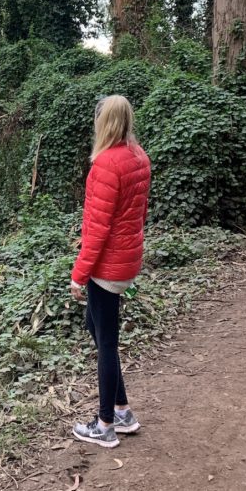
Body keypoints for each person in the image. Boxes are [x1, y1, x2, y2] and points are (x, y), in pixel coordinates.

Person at [69, 94, 151, 448]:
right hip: (127, 258)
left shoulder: (105, 164)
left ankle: (104, 425)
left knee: (105, 341)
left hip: (107, 266)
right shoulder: (138, 157)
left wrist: (79, 274)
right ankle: (122, 410)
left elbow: (98, 228)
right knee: (97, 327)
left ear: (104, 123)